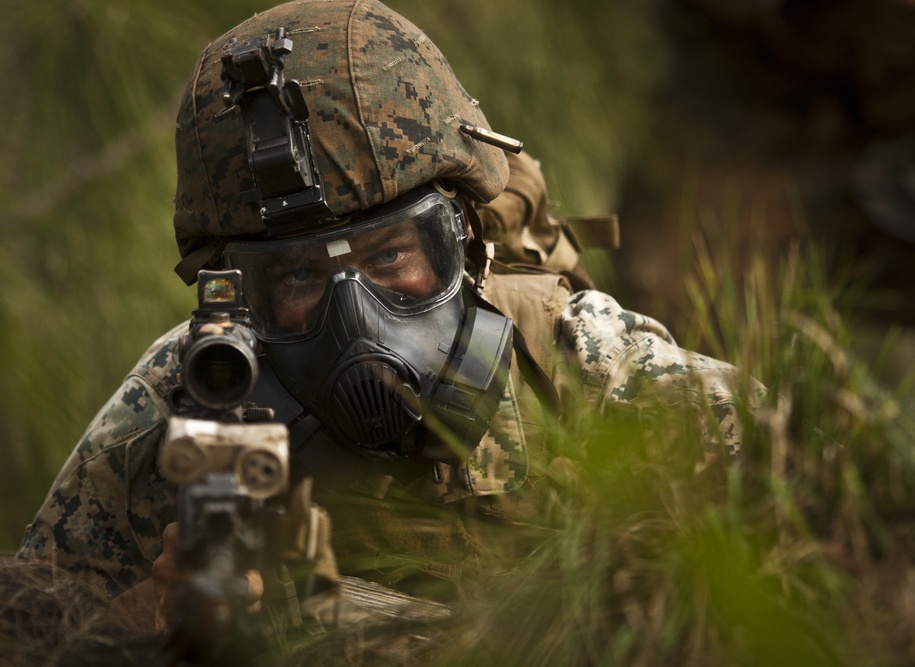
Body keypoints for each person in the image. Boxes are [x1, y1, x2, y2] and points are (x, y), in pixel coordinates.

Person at [16, 0, 762, 621]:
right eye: (300, 274)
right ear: (239, 292)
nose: (357, 318)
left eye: (391, 256)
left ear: (464, 237)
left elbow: (826, 507)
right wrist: (145, 621)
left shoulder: (581, 367)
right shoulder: (194, 404)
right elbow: (29, 630)